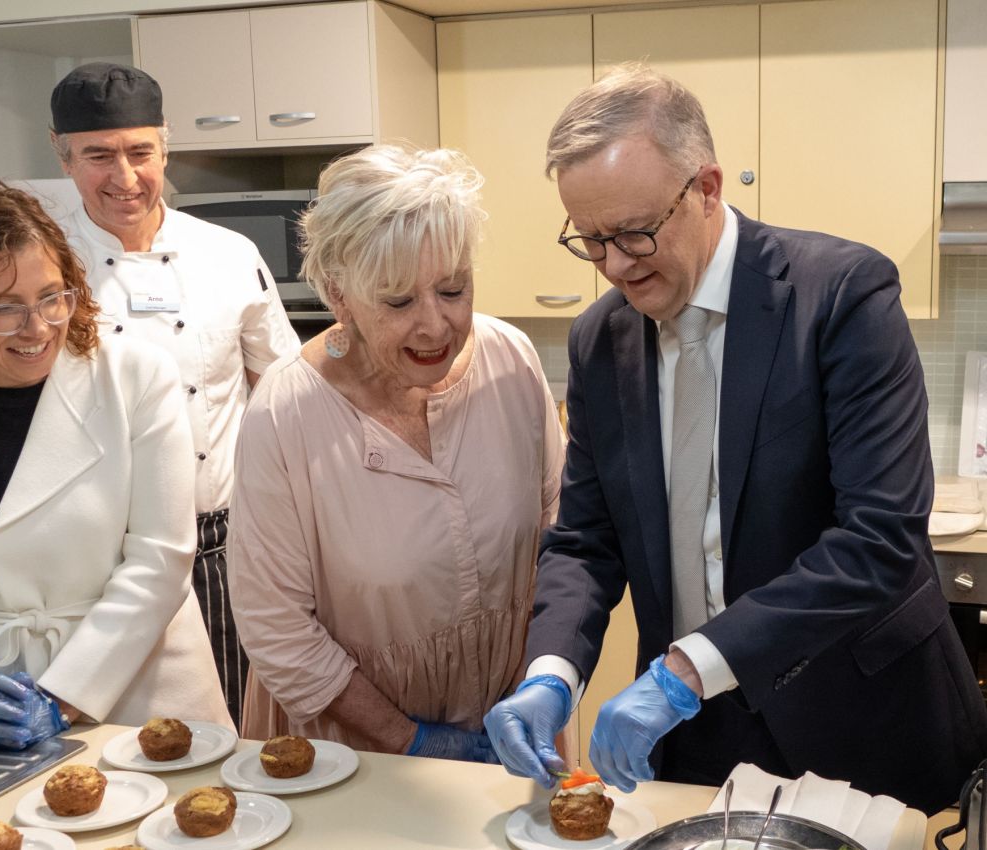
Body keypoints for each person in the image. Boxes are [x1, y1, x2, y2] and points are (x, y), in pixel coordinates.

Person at [484, 64, 987, 815]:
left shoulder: (840, 295)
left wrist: (684, 670)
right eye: (590, 241)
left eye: (634, 232)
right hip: (701, 734)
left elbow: (879, 539)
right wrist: (551, 669)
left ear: (708, 188)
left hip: (862, 722)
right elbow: (586, 541)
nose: (616, 267)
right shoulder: (601, 340)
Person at [227, 144, 566, 761]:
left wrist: (546, 680)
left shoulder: (510, 362)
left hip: (510, 724)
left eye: (453, 289)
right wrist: (410, 740)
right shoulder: (286, 414)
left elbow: (561, 538)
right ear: (339, 296)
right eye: (399, 301)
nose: (435, 325)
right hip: (349, 744)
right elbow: (275, 625)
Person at [47, 62, 301, 729]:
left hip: (227, 550)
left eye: (141, 153)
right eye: (99, 156)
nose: (126, 178)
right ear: (62, 154)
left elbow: (289, 393)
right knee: (121, 748)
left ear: (165, 145)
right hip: (96, 569)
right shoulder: (40, 266)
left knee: (245, 740)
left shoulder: (227, 253)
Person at [0, 182, 230, 743]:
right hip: (0, 708)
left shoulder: (133, 377)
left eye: (53, 296)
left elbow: (160, 559)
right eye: (6, 308)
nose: (38, 327)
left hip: (140, 696)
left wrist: (64, 696)